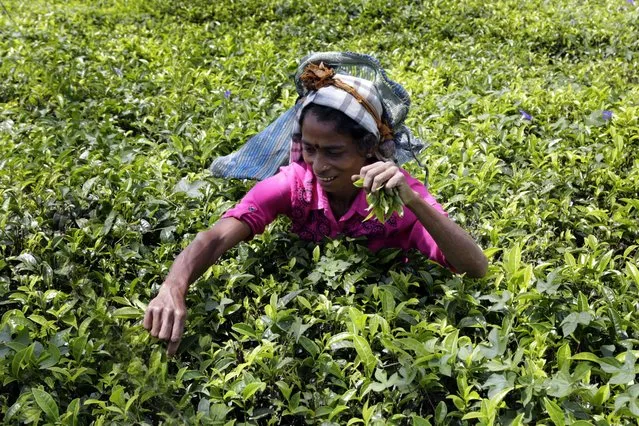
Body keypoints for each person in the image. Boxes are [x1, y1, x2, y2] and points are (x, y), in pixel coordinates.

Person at [143, 53, 488, 355]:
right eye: (310, 148)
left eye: (334, 152)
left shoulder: (399, 198)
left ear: (368, 147)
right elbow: (216, 237)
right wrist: (174, 286)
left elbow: (475, 267)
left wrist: (415, 203)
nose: (319, 165)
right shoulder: (294, 185)